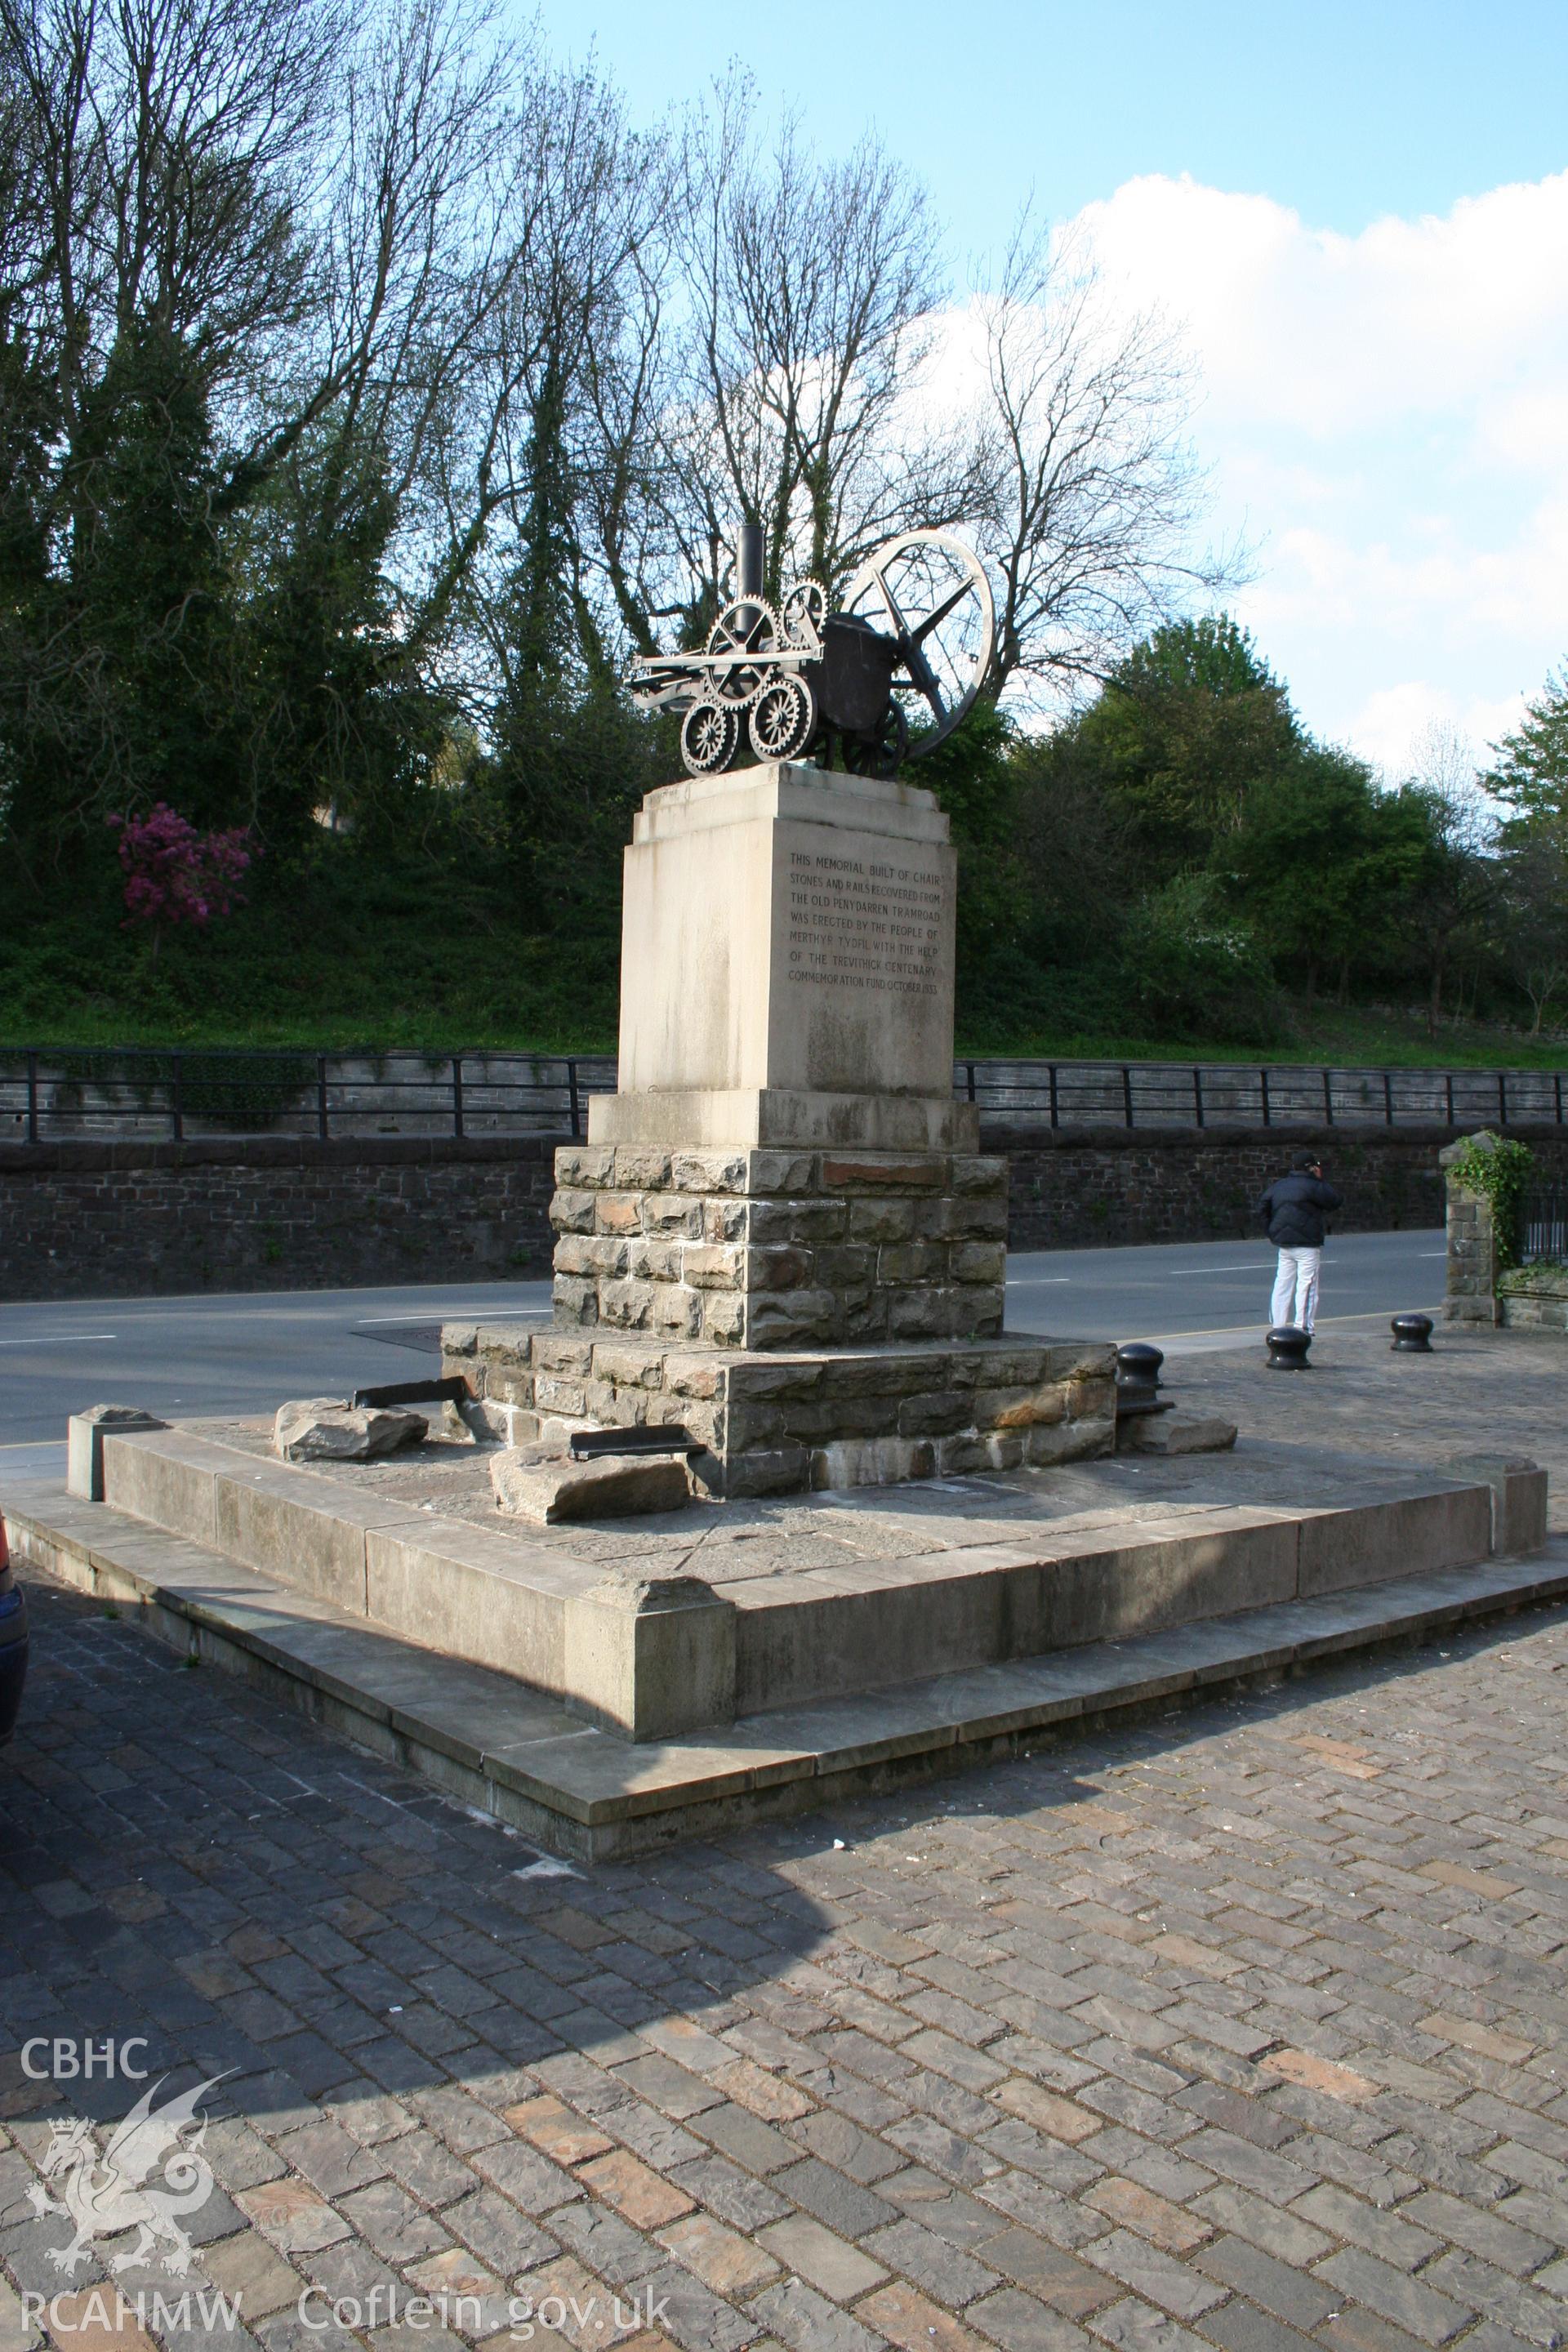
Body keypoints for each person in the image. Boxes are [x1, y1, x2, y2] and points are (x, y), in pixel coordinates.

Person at [1255, 1151, 1343, 1336]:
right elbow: (1335, 1201)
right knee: (1307, 1285)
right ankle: (1303, 1326)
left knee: (1282, 1283)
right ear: (1311, 1167)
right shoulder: (1313, 1186)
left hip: (1283, 1242)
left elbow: (1262, 1205)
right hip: (1307, 1243)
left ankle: (1277, 1325)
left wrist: (1270, 1231)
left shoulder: (1279, 1186)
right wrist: (1320, 1180)